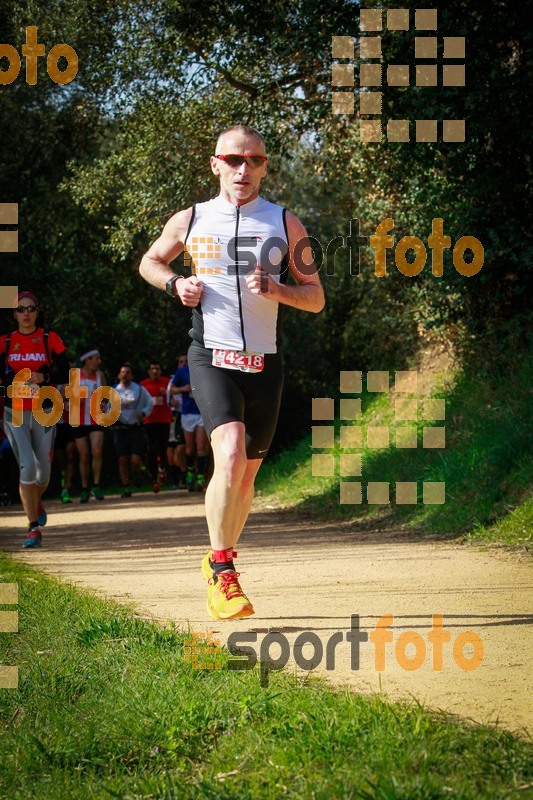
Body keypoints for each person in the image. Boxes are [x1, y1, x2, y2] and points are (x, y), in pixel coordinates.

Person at [139, 124, 324, 620]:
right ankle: (224, 571)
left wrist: (279, 289)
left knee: (245, 479)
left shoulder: (286, 223)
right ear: (216, 163)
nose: (245, 170)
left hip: (265, 362)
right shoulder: (192, 218)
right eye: (235, 160)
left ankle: (215, 559)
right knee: (231, 449)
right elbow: (150, 261)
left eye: (255, 161)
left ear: (265, 166)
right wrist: (176, 283)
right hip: (212, 356)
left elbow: (316, 296)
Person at [0, 291, 70, 547]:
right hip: (14, 412)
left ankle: (35, 500)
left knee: (43, 475)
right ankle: (32, 528)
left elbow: (66, 369)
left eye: (30, 308)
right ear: (14, 314)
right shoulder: (5, 342)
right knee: (27, 468)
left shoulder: (49, 339)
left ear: (38, 312)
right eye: (20, 309)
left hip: (44, 410)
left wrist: (45, 378)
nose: (26, 313)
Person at [113, 363, 154, 497]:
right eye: (123, 372)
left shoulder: (139, 389)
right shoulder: (114, 391)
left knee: (135, 460)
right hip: (120, 428)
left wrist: (143, 413)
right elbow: (106, 408)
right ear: (119, 375)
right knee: (122, 459)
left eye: (128, 372)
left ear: (132, 375)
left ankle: (136, 473)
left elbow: (150, 403)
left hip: (135, 428)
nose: (125, 374)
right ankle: (126, 487)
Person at [169, 356, 209, 491]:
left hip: (201, 412)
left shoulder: (205, 367)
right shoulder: (182, 371)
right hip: (187, 413)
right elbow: (172, 389)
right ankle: (191, 472)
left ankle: (200, 477)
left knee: (201, 447)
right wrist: (184, 389)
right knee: (189, 448)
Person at [74, 348, 106, 502]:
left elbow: (106, 395)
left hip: (96, 419)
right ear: (87, 361)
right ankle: (85, 488)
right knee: (84, 456)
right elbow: (64, 397)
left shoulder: (100, 376)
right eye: (96, 358)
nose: (99, 362)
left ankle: (97, 485)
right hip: (79, 420)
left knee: (97, 451)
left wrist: (105, 403)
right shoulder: (75, 376)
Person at [140, 361, 172, 492]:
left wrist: (169, 394)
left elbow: (175, 399)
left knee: (163, 449)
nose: (155, 371)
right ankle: (154, 479)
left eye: (157, 369)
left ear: (160, 371)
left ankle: (162, 469)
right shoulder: (143, 385)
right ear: (148, 371)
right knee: (151, 450)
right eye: (152, 369)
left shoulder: (168, 383)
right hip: (149, 421)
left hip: (164, 420)